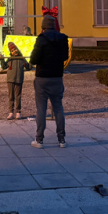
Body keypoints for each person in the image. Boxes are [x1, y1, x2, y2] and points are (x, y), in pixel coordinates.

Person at [29, 15, 69, 148]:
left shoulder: (41, 39)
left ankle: (39, 140)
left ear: (43, 26)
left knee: (41, 108)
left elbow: (34, 59)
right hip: (57, 76)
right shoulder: (63, 38)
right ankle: (61, 139)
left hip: (42, 77)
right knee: (58, 107)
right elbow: (65, 56)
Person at [0, 41, 30, 120]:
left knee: (18, 96)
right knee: (11, 96)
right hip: (10, 79)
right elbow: (4, 67)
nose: (14, 51)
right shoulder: (10, 59)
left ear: (17, 49)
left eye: (15, 49)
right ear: (11, 52)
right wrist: (1, 59)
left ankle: (18, 112)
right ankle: (11, 112)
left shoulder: (22, 59)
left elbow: (28, 67)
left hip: (19, 79)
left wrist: (32, 61)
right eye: (12, 50)